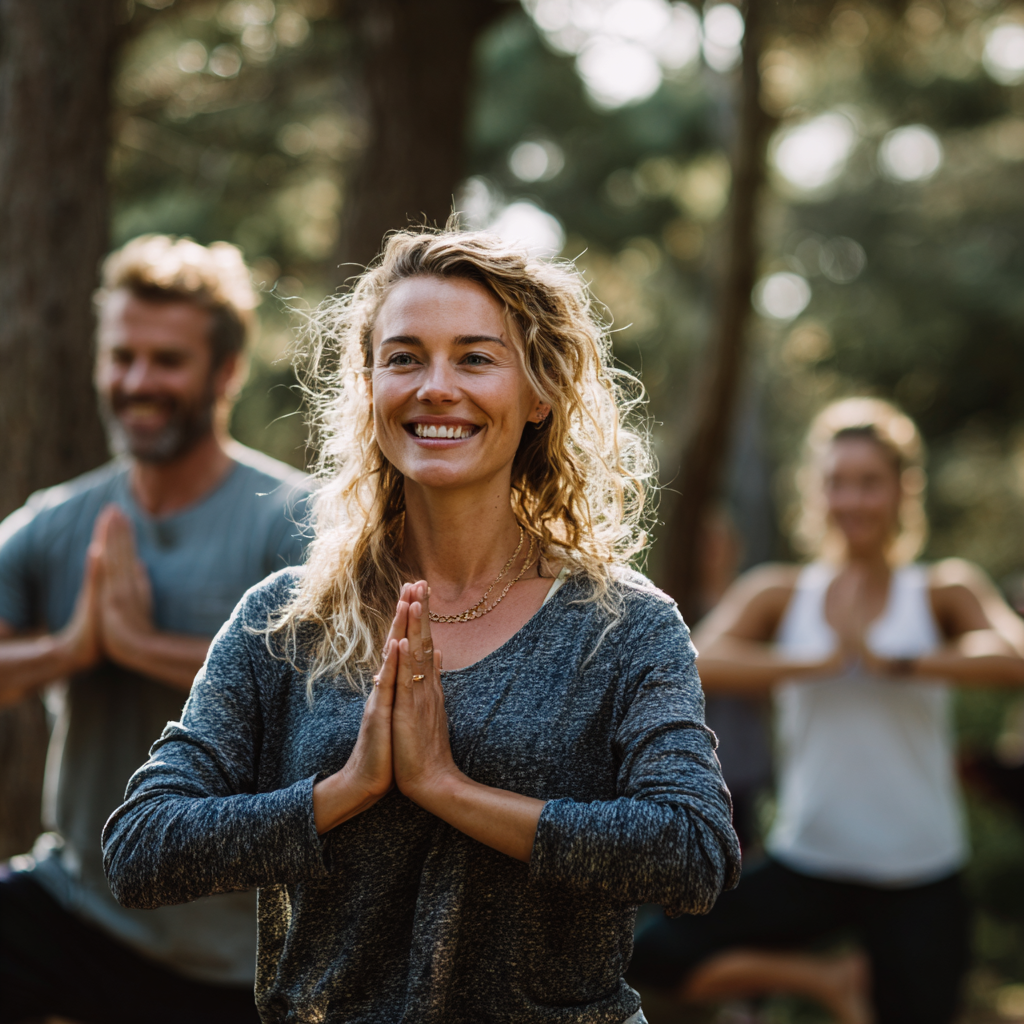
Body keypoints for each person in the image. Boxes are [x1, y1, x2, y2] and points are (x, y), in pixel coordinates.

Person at [101, 228, 741, 1024]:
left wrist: (449, 790)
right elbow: (140, 848)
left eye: (475, 358)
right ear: (369, 388)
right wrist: (342, 793)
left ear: (538, 394)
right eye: (404, 358)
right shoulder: (286, 620)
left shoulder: (623, 625)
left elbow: (693, 853)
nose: (436, 387)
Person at [629, 397, 1024, 1024]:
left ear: (902, 490)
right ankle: (828, 978)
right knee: (654, 953)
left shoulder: (942, 589)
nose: (852, 500)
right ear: (817, 492)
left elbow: (1011, 657)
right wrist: (817, 660)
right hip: (810, 859)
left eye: (869, 482)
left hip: (919, 872)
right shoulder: (782, 594)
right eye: (837, 482)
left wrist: (898, 661)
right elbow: (696, 658)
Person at [0, 235, 310, 1024]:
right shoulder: (54, 523)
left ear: (227, 372)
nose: (138, 381)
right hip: (76, 907)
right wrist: (68, 649)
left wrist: (140, 649)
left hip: (244, 959)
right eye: (122, 357)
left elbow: (330, 701)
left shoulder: (299, 521)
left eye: (167, 360)